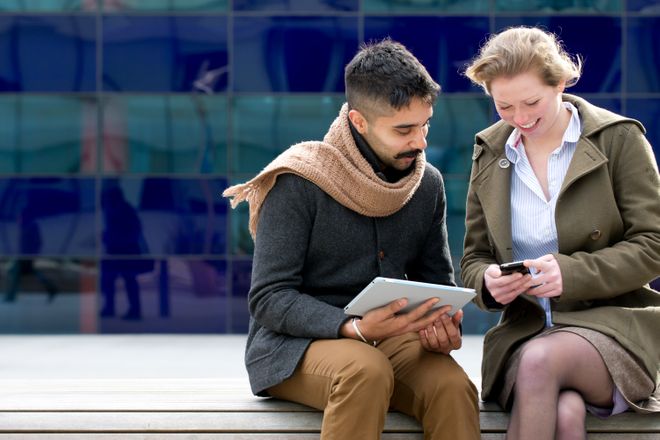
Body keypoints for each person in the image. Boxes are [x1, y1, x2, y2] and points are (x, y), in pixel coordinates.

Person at [223, 39, 480, 439]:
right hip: (293, 349)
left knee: (452, 387)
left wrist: (442, 324)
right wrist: (353, 328)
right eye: (404, 129)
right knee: (365, 369)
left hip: (390, 340)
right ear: (359, 122)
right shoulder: (297, 181)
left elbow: (437, 283)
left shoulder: (427, 184)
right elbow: (269, 298)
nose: (421, 141)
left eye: (425, 125)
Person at [460, 26, 660, 439]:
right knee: (565, 414)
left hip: (612, 327)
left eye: (531, 102)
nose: (519, 118)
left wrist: (572, 273)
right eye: (504, 106)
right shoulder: (490, 151)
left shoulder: (618, 139)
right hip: (523, 331)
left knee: (541, 363)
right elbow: (473, 259)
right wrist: (488, 282)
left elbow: (653, 244)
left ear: (562, 83)